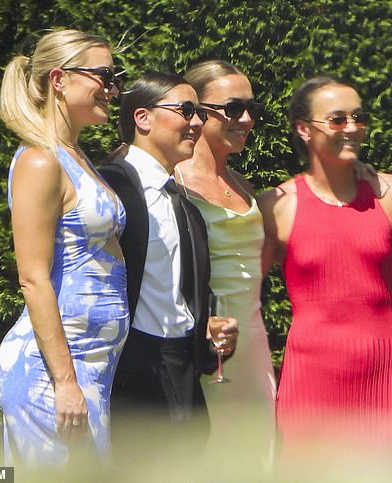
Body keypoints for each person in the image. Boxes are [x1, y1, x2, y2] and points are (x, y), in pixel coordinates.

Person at [259, 76, 392, 456]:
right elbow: (244, 297)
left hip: (381, 377)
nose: (352, 128)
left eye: (359, 117)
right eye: (337, 119)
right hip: (310, 380)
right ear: (304, 129)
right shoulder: (276, 206)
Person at [0, 29, 129, 468]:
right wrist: (65, 383)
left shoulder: (76, 156)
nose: (113, 88)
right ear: (59, 79)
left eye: (116, 77)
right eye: (104, 76)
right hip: (50, 375)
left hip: (89, 368)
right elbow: (32, 279)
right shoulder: (40, 160)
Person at [98, 72, 239, 463]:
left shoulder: (184, 206)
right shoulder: (108, 191)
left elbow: (178, 294)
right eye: (187, 110)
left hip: (181, 377)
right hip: (132, 377)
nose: (197, 122)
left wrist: (206, 329)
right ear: (142, 118)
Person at [174, 60, 276, 467]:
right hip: (205, 347)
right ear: (197, 111)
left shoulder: (242, 185)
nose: (247, 119)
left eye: (251, 108)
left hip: (253, 347)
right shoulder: (173, 183)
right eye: (233, 108)